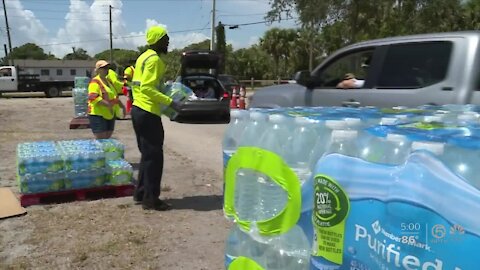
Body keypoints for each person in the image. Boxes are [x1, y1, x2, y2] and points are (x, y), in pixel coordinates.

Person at [130, 25, 183, 211]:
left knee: (147, 154)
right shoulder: (155, 60)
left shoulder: (143, 57)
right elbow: (147, 87)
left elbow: (141, 85)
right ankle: (151, 199)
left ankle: (141, 193)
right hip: (148, 112)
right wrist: (170, 101)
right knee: (154, 156)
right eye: (165, 38)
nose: (168, 42)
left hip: (138, 109)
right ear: (158, 41)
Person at [87, 60, 123, 139]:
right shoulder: (95, 82)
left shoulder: (109, 81)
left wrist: (121, 106)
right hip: (98, 115)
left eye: (107, 67)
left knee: (107, 139)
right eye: (104, 68)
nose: (107, 70)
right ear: (98, 70)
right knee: (101, 140)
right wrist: (108, 105)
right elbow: (93, 97)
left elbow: (114, 95)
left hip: (110, 114)